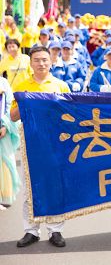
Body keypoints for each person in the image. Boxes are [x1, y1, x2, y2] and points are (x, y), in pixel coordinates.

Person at [11, 46, 70, 248]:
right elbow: (13, 116)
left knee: (55, 186)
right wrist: (25, 101)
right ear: (31, 63)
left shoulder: (60, 86)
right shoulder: (21, 86)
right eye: (37, 60)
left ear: (51, 62)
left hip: (55, 142)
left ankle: (55, 230)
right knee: (30, 188)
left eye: (45, 60)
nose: (41, 63)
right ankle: (31, 230)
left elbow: (70, 116)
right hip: (31, 141)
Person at [0, 76, 20, 209]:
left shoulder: (3, 82)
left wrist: (5, 125)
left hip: (2, 129)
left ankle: (2, 197)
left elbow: (9, 105)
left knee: (4, 162)